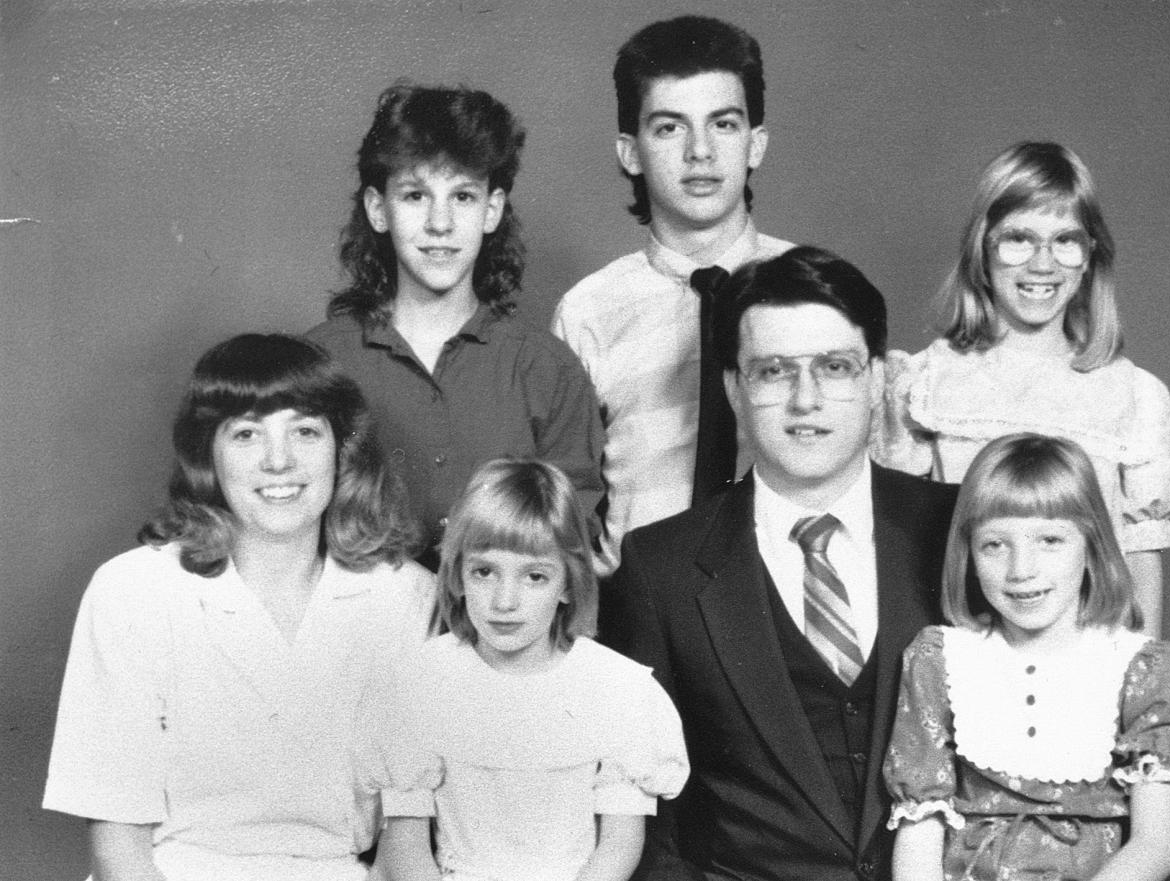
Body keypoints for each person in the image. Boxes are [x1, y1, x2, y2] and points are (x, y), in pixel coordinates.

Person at [605, 246, 959, 881]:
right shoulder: (660, 570)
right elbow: (642, 823)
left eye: (835, 367)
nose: (807, 399)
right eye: (773, 372)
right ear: (734, 389)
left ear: (877, 379)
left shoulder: (966, 532)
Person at [43, 334, 438, 881]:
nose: (279, 461)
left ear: (342, 448)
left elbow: (404, 839)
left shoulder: (407, 597)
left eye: (304, 431)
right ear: (208, 454)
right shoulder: (131, 591)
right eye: (247, 434)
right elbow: (119, 847)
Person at [872, 142, 1170, 636]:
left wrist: (1138, 690)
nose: (1043, 264)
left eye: (1065, 240)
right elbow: (898, 556)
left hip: (1085, 672)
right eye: (1019, 239)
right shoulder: (925, 384)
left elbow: (1141, 567)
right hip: (964, 664)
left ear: (1089, 257)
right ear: (983, 250)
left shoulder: (1135, 396)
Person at [884, 433, 1170, 881]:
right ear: (969, 554)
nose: (1021, 569)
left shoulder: (1140, 667)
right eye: (995, 544)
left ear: (1092, 547)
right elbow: (920, 831)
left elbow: (1154, 847)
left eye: (1050, 540)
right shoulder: (941, 659)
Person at [309, 82, 603, 567]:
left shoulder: (548, 370)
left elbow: (569, 543)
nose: (440, 223)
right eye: (415, 195)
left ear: (492, 210)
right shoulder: (322, 364)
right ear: (378, 209)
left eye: (463, 196)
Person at [364, 459, 689, 881]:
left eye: (534, 577)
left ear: (569, 584)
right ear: (458, 575)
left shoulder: (615, 688)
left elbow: (619, 847)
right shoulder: (422, 681)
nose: (505, 601)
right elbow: (406, 850)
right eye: (484, 572)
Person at [553, 15, 793, 576]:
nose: (700, 152)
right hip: (636, 611)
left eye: (724, 125)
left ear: (755, 144)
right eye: (669, 128)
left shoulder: (814, 290)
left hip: (785, 604)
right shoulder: (588, 311)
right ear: (629, 152)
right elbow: (570, 500)